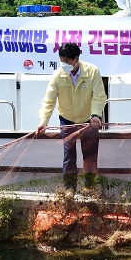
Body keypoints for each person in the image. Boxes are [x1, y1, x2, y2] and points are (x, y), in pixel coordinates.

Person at [36, 42, 107, 195]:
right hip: (67, 120)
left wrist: (95, 115)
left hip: (88, 120)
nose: (63, 64)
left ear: (76, 59)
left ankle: (90, 187)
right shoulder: (57, 75)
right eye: (61, 60)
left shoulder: (92, 71)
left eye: (66, 61)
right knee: (69, 155)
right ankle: (69, 189)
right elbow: (49, 101)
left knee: (90, 154)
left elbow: (99, 96)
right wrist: (43, 122)